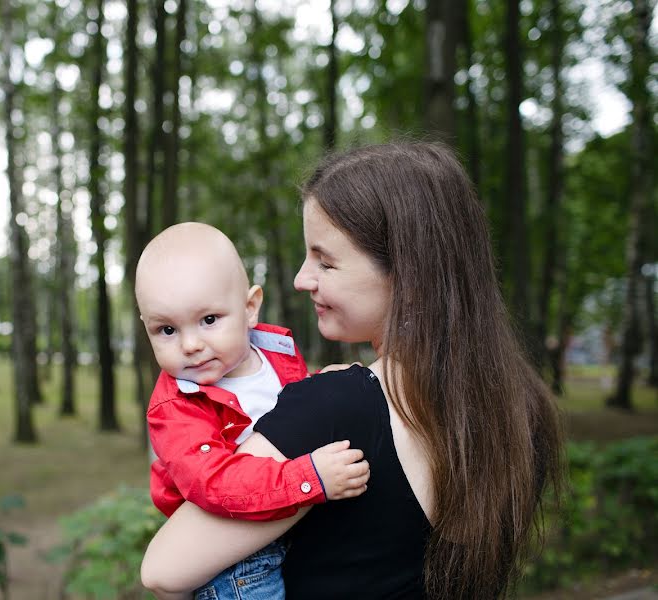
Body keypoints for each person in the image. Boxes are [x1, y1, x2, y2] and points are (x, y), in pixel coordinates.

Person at [140, 142, 563, 599]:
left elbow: (163, 570)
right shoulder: (523, 405)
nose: (303, 278)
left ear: (407, 272)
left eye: (325, 260)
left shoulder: (338, 409)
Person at [135, 222, 370, 600]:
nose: (191, 344)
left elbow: (290, 407)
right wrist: (308, 480)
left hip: (290, 534)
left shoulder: (275, 354)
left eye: (209, 320)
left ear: (249, 307)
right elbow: (214, 484)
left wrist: (323, 381)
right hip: (236, 567)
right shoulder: (177, 409)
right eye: (166, 330)